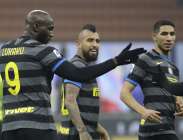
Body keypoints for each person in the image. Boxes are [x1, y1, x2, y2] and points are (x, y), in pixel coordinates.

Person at [0, 10, 146, 140]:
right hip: (38, 126)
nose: (52, 33)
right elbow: (77, 74)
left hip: (9, 128)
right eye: (50, 29)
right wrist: (116, 61)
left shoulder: (4, 50)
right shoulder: (43, 51)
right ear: (36, 27)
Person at [120, 20, 183, 140]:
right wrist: (143, 111)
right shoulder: (145, 60)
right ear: (154, 36)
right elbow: (124, 93)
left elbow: (178, 97)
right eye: (164, 34)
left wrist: (182, 105)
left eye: (172, 34)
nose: (169, 38)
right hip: (152, 132)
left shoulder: (174, 68)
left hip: (169, 128)